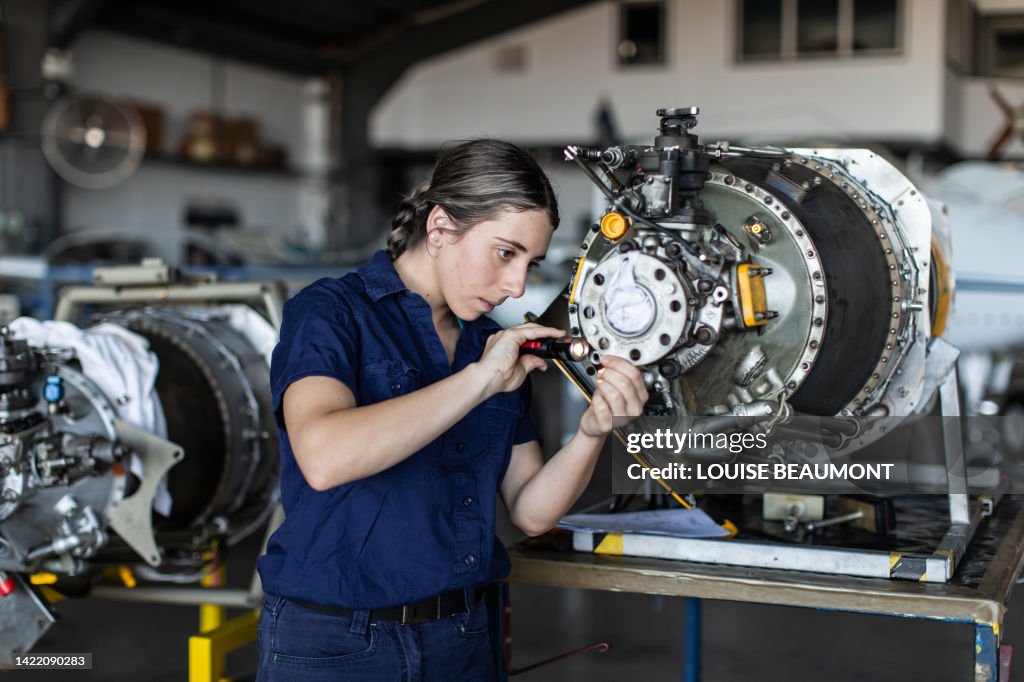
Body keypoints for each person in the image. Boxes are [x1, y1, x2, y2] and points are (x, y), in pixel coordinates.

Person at [256, 139, 648, 681]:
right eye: (505, 253)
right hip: (336, 642)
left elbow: (532, 510)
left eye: (530, 264)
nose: (517, 285)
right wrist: (481, 379)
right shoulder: (330, 312)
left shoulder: (491, 346)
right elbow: (325, 456)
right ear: (439, 228)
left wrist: (591, 431)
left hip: (462, 638)